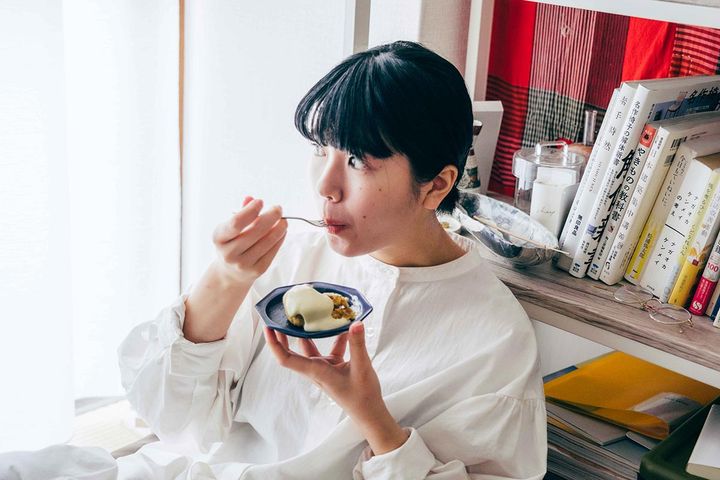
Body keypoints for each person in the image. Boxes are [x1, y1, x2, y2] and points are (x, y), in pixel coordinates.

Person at [0, 40, 546, 480]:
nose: (326, 185)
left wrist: (372, 416)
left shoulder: (494, 337)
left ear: (436, 185)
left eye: (358, 160)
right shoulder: (295, 253)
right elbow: (175, 419)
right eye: (321, 149)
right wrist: (227, 278)